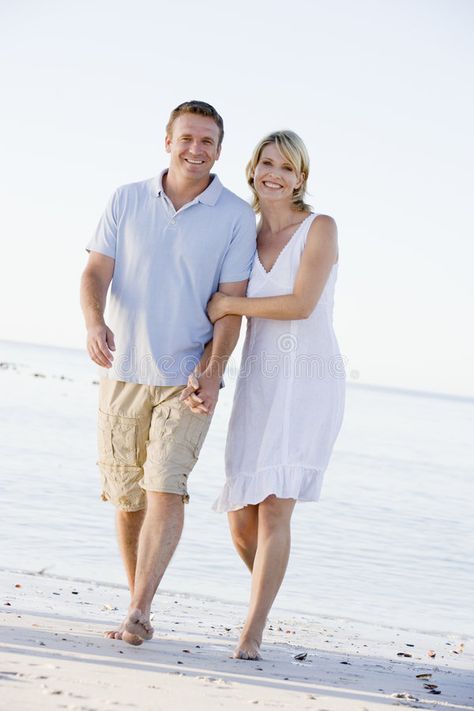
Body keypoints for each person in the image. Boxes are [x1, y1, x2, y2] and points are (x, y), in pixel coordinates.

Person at [80, 100, 256, 646]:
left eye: (207, 142)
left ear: (220, 150)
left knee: (165, 486)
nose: (195, 150)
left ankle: (138, 610)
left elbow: (231, 303)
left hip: (188, 376)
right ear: (168, 141)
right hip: (124, 371)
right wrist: (93, 322)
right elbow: (94, 270)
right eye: (187, 138)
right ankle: (138, 601)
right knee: (127, 497)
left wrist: (212, 370)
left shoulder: (234, 216)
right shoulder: (126, 199)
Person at [207, 130, 345, 660]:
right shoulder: (244, 233)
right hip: (260, 382)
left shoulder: (321, 228)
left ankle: (253, 632)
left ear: (301, 178)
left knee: (274, 509)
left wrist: (229, 306)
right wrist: (211, 369)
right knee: (240, 515)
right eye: (267, 163)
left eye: (287, 168)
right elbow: (223, 302)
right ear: (252, 168)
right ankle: (269, 589)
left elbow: (300, 304)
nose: (275, 174)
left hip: (308, 383)